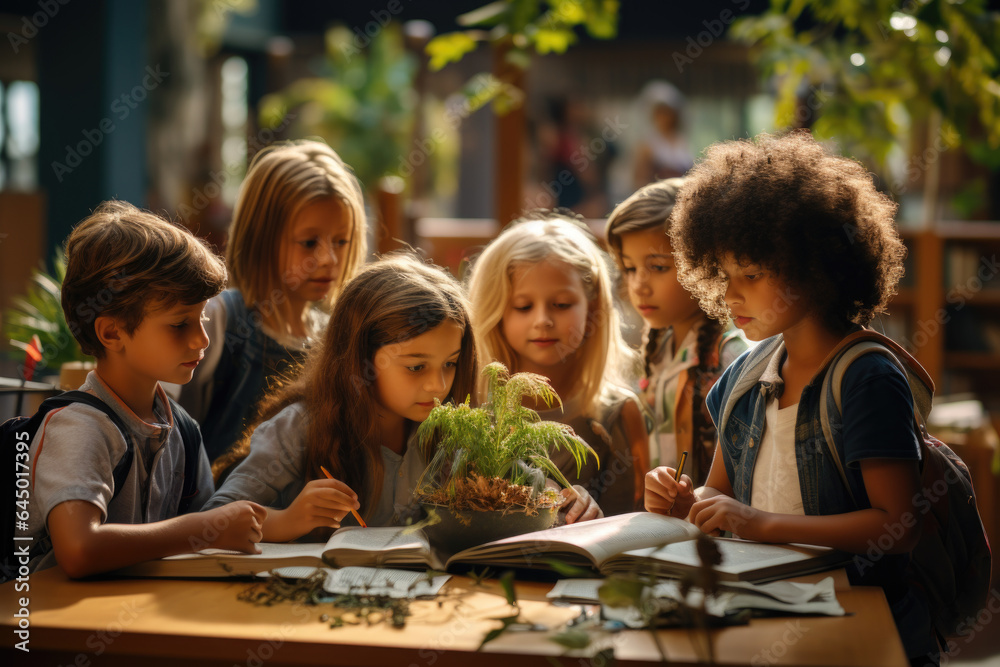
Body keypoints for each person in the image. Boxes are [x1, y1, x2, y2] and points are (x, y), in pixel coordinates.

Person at [643, 132, 935, 663]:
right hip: (762, 619)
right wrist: (685, 504)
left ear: (814, 267)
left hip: (859, 629)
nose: (731, 295)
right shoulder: (743, 379)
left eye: (751, 276)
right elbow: (717, 501)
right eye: (724, 276)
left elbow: (899, 525)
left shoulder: (865, 378)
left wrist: (761, 524)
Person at [206, 254, 601, 542]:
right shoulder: (301, 429)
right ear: (360, 358)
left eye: (449, 364)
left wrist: (570, 502)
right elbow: (211, 522)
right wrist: (287, 521)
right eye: (416, 367)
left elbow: (537, 491)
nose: (437, 386)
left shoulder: (459, 432)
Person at [25, 201, 266, 578]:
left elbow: (204, 523)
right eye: (178, 324)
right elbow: (78, 550)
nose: (202, 339)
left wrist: (284, 519)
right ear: (112, 332)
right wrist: (202, 532)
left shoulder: (181, 428)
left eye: (202, 317)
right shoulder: (78, 428)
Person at [173, 140, 368, 462]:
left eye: (341, 241)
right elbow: (170, 434)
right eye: (309, 242)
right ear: (261, 238)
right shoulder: (219, 319)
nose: (328, 258)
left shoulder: (333, 338)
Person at [467, 214, 648, 515]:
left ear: (592, 309)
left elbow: (632, 527)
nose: (543, 321)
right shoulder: (468, 406)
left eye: (562, 305)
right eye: (523, 306)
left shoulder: (619, 413)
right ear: (495, 312)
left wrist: (595, 519)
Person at [605, 178, 746, 484]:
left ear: (703, 266)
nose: (638, 285)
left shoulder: (732, 359)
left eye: (657, 267)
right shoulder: (658, 349)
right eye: (630, 268)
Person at [633, 81, 694, 187]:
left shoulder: (681, 140)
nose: (665, 117)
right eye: (661, 113)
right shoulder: (648, 144)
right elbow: (639, 179)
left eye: (668, 113)